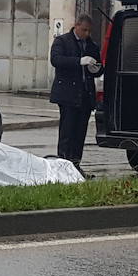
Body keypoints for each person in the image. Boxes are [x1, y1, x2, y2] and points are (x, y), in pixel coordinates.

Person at [50, 14, 103, 172]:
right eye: (84, 30)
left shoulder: (91, 45)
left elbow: (98, 66)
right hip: (68, 94)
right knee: (67, 132)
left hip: (85, 95)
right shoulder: (63, 41)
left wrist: (96, 68)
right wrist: (78, 61)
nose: (86, 34)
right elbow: (56, 60)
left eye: (89, 31)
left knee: (80, 134)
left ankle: (76, 165)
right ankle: (63, 165)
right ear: (76, 26)